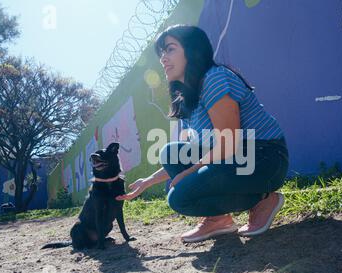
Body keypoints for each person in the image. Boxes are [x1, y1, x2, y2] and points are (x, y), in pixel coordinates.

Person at [116, 25, 289, 243]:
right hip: (237, 158)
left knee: (179, 198)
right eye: (161, 52)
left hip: (265, 158)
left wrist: (190, 173)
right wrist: (148, 181)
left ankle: (263, 199)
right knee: (171, 152)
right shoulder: (188, 97)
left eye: (170, 49)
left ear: (192, 50)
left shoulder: (214, 78)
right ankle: (218, 220)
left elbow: (229, 143)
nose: (163, 58)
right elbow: (200, 152)